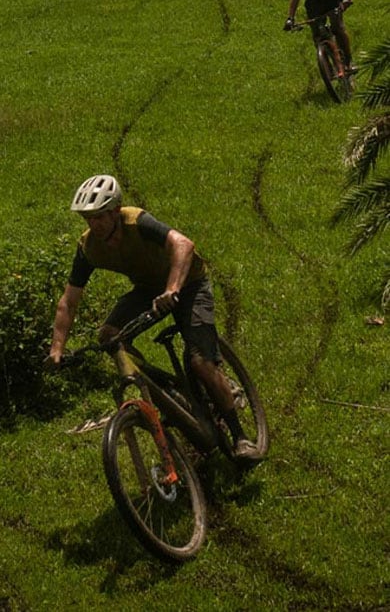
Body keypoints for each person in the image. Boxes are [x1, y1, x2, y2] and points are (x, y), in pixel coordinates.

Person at [47, 174, 260, 460]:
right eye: (88, 218)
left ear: (114, 212)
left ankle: (241, 437)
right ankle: (166, 389)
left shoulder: (137, 222)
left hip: (188, 283)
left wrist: (173, 289)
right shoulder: (88, 248)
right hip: (148, 288)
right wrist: (57, 349)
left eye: (98, 217)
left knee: (200, 361)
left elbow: (183, 245)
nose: (93, 225)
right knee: (109, 335)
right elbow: (69, 302)